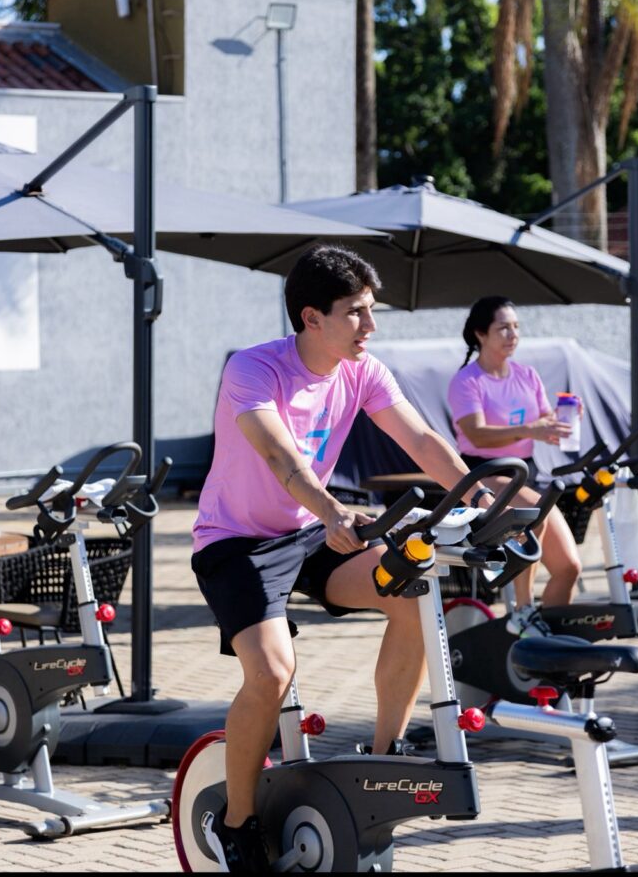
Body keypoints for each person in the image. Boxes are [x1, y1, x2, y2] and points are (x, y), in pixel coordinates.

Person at [191, 244, 493, 873]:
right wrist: (332, 513)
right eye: (356, 313)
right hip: (236, 542)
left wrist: (481, 499)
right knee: (272, 675)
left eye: (371, 310)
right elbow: (283, 461)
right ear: (311, 318)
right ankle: (238, 821)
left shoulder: (364, 370)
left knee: (409, 591)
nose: (370, 326)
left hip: (312, 534)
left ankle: (384, 753)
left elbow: (421, 439)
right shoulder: (253, 370)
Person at [447, 295, 582, 638]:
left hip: (525, 473)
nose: (512, 334)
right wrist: (530, 429)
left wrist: (559, 422)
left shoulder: (526, 374)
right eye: (503, 327)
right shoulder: (467, 381)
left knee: (569, 567)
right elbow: (476, 434)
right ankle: (521, 612)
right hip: (484, 473)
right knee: (535, 511)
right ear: (481, 334)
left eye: (516, 327)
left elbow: (542, 419)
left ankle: (548, 639)